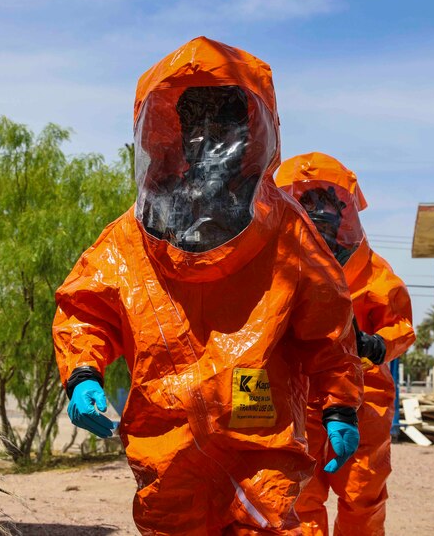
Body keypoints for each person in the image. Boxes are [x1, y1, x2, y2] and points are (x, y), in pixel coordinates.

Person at [53, 38, 363, 535]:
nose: (209, 137)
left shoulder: (288, 231)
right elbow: (86, 309)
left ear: (252, 131)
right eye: (196, 120)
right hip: (166, 442)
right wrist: (84, 373)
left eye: (225, 121)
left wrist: (340, 404)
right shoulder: (131, 236)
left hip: (258, 435)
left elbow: (327, 329)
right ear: (169, 129)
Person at [275, 152, 416, 535]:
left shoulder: (372, 271)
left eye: (326, 200)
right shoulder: (281, 265)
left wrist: (374, 345)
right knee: (300, 497)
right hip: (300, 399)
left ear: (345, 208)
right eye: (308, 200)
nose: (318, 211)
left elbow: (402, 327)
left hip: (364, 400)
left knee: (362, 497)